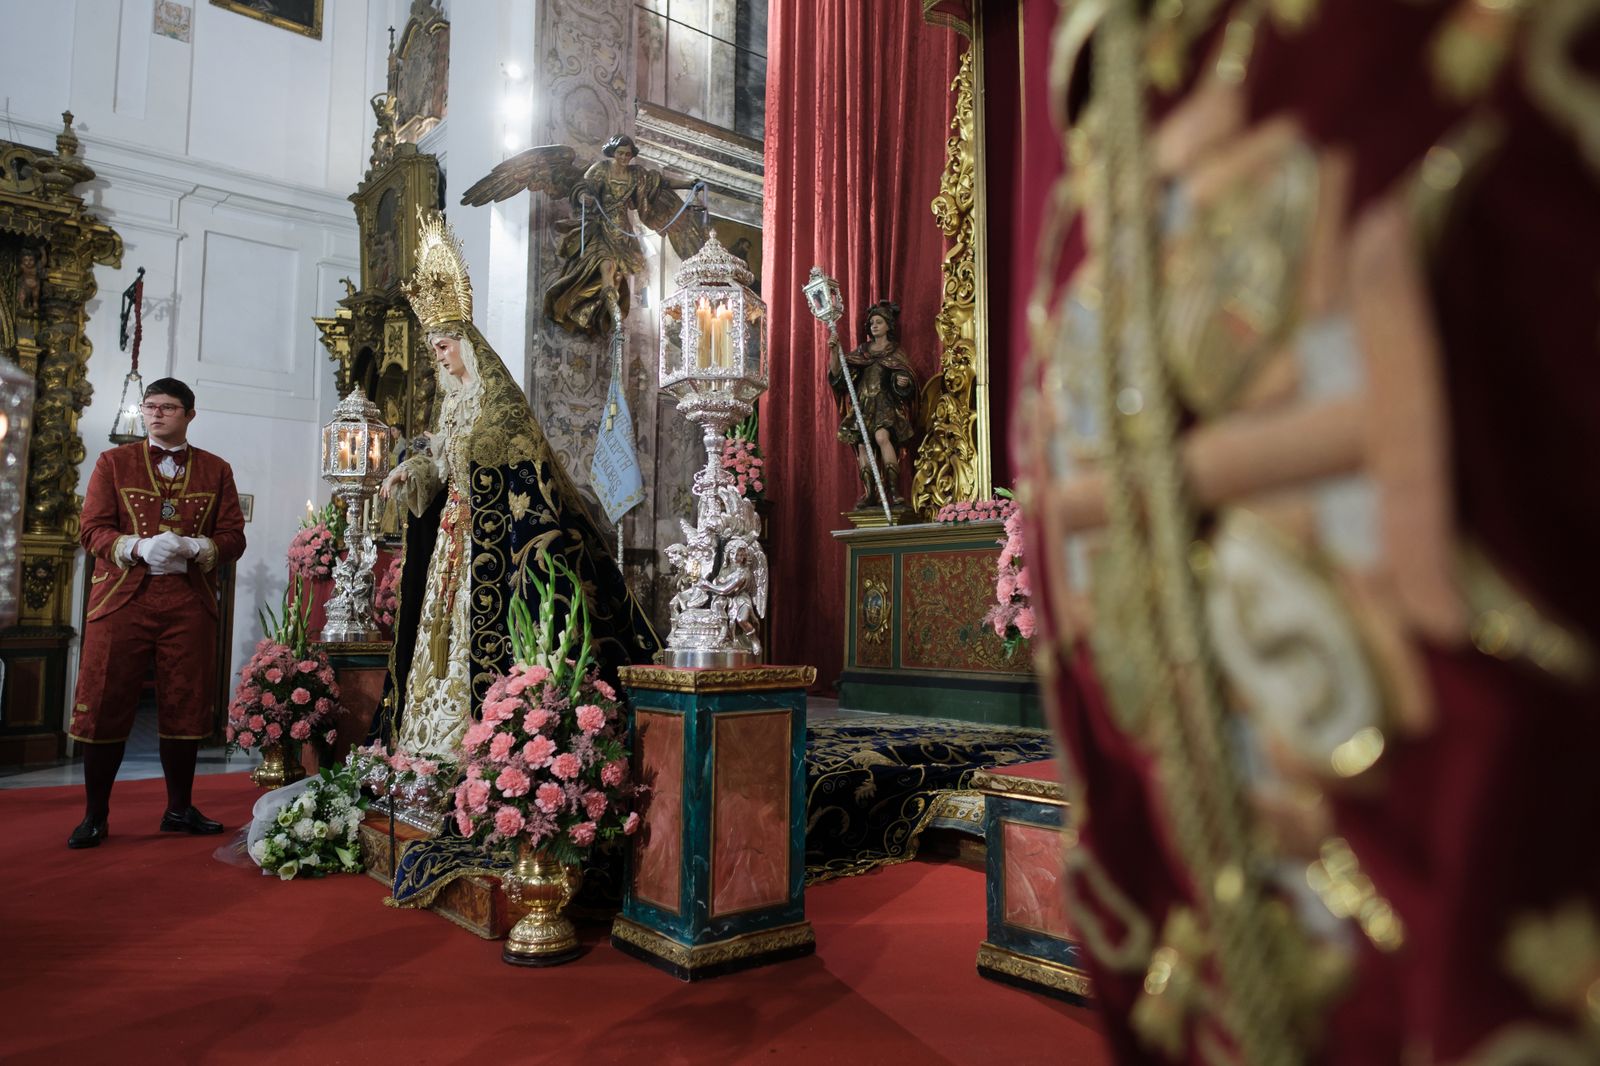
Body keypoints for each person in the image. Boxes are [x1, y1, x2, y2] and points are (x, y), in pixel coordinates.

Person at [379, 211, 658, 769]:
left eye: (446, 341)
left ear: (468, 344)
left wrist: (460, 467)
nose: (438, 351)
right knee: (438, 631)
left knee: (467, 633)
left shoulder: (494, 404)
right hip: (453, 543)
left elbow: (519, 464)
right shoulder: (450, 405)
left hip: (490, 539)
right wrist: (413, 472)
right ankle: (425, 743)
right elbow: (442, 463)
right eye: (433, 343)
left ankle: (473, 740)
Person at [67, 377, 246, 848]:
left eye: (168, 407)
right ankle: (95, 815)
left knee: (186, 703)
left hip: (188, 601)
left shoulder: (216, 469)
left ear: (190, 414)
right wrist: (137, 546)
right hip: (122, 599)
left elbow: (234, 538)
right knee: (105, 700)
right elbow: (91, 531)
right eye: (150, 407)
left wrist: (195, 546)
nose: (156, 414)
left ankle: (179, 808)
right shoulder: (112, 462)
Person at [544, 134, 700, 336]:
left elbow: (659, 182)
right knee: (606, 265)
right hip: (600, 227)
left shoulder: (636, 175)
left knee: (617, 275)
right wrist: (584, 198)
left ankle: (602, 309)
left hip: (622, 231)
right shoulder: (601, 169)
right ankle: (612, 311)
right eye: (620, 153)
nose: (624, 157)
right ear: (613, 153)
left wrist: (688, 183)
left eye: (628, 154)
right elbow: (582, 187)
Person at [827, 300, 919, 508]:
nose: (874, 326)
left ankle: (893, 490)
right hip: (862, 405)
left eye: (879, 322)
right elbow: (839, 376)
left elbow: (905, 376)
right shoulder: (862, 351)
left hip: (884, 403)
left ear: (888, 325)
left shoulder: (894, 351)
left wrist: (902, 381)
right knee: (861, 445)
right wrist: (834, 351)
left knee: (882, 436)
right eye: (871, 323)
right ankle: (869, 491)